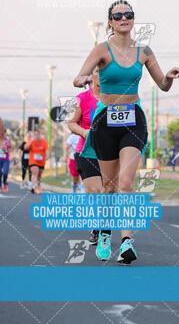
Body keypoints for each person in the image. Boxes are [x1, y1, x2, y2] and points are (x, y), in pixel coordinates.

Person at [73, 0, 179, 264]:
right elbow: (78, 78)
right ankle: (105, 231)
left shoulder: (144, 51)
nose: (124, 18)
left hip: (133, 120)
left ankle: (126, 242)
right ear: (110, 21)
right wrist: (85, 80)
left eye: (129, 14)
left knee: (126, 183)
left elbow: (163, 85)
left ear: (133, 19)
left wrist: (168, 75)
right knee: (109, 187)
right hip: (105, 123)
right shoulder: (101, 49)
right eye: (118, 15)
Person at [68, 66, 103, 244]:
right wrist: (84, 132)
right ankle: (96, 227)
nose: (101, 74)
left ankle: (105, 225)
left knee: (107, 192)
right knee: (94, 191)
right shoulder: (82, 98)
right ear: (91, 76)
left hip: (109, 153)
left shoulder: (115, 99)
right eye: (97, 71)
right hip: (86, 151)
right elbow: (71, 123)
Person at [0, 126, 10, 192]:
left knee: (5, 172)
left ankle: (5, 183)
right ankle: (0, 186)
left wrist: (6, 150)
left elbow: (10, 149)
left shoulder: (8, 140)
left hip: (6, 159)